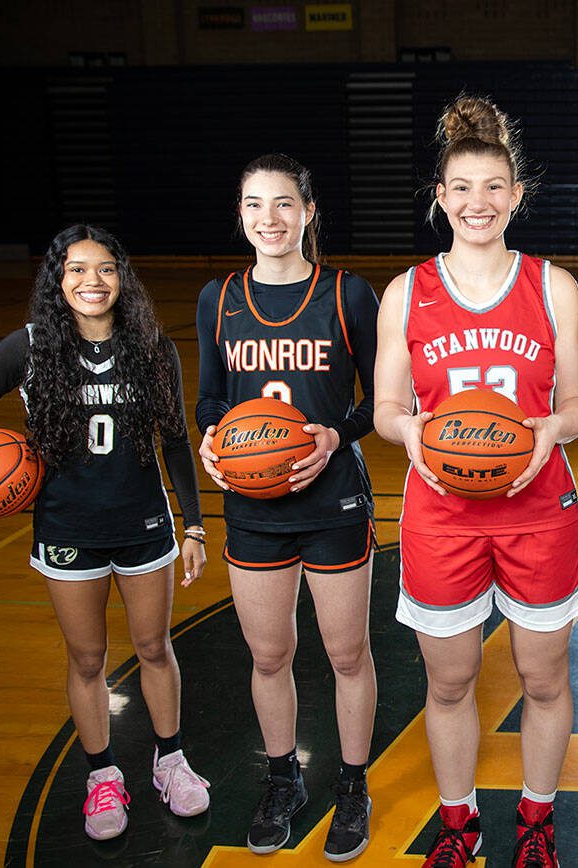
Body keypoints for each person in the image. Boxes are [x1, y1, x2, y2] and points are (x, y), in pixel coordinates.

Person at [0, 225, 209, 841]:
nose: (91, 282)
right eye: (76, 270)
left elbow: (177, 441)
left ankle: (171, 759)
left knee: (154, 647)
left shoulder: (151, 347)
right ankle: (102, 774)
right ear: (57, 281)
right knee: (87, 658)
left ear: (122, 279)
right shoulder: (26, 348)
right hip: (67, 528)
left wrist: (196, 525)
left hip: (143, 524)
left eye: (104, 269)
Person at [373, 94, 578, 868]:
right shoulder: (406, 292)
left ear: (517, 195)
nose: (478, 202)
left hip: (539, 508)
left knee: (542, 675)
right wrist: (416, 437)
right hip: (441, 511)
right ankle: (459, 824)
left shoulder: (553, 286)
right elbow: (387, 406)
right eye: (462, 187)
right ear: (440, 197)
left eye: (494, 186)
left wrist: (551, 432)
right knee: (451, 679)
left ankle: (536, 820)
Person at [194, 154, 380, 860]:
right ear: (239, 214)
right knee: (269, 654)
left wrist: (339, 432)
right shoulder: (220, 297)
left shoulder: (345, 294)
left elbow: (379, 400)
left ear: (308, 211)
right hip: (252, 504)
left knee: (346, 653)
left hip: (332, 500)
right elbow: (212, 395)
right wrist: (212, 438)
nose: (268, 219)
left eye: (282, 204)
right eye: (253, 205)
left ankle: (353, 787)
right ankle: (283, 780)